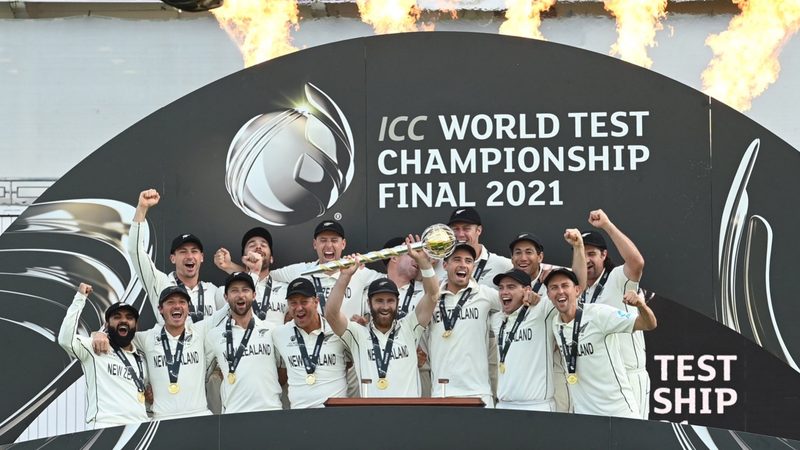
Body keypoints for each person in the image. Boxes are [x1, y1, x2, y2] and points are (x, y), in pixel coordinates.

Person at [326, 237, 439, 397]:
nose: (385, 307)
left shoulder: (409, 327)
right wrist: (344, 277)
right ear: (369, 303)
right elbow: (331, 315)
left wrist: (424, 262)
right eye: (379, 301)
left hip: (408, 411)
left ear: (398, 303)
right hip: (373, 412)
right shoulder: (358, 334)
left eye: (390, 301)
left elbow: (433, 296)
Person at [92, 285, 225, 420]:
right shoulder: (147, 338)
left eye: (182, 302)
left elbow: (228, 309)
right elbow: (119, 333)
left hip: (199, 416)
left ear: (188, 308)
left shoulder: (200, 331)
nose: (177, 306)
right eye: (170, 302)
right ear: (160, 309)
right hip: (162, 420)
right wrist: (100, 333)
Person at [546, 268, 657, 419]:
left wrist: (641, 306)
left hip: (619, 412)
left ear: (577, 290)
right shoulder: (555, 324)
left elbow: (648, 324)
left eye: (565, 285)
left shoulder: (598, 314)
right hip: (585, 416)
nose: (560, 291)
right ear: (548, 295)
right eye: (554, 287)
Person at [508, 228, 587, 413]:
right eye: (518, 252)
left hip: (554, 365)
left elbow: (579, 285)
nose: (523, 258)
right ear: (511, 258)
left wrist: (578, 247)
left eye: (529, 252)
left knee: (558, 422)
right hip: (520, 371)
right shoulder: (507, 286)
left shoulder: (554, 279)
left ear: (540, 257)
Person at [581, 209, 649, 419]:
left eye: (591, 253)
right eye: (581, 253)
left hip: (628, 375)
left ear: (604, 255)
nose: (586, 259)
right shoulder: (577, 291)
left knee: (633, 435)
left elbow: (637, 263)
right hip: (596, 381)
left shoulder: (618, 278)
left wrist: (607, 225)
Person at [58, 283, 148, 428]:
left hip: (138, 428)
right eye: (117, 317)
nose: (123, 320)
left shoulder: (141, 360)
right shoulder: (94, 347)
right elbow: (65, 340)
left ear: (136, 325)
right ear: (107, 325)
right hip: (105, 427)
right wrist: (80, 298)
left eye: (129, 317)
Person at [128, 188, 224, 323]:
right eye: (183, 251)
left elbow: (245, 299)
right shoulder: (159, 283)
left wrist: (230, 267)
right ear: (173, 258)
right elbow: (135, 251)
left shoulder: (213, 291)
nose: (189, 256)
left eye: (194, 251)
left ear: (201, 257)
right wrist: (142, 208)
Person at [427, 244, 502, 407]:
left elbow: (516, 303)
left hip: (479, 392)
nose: (463, 265)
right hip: (442, 392)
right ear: (445, 265)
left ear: (473, 267)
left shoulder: (485, 293)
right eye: (457, 260)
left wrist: (531, 297)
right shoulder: (432, 298)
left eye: (468, 261)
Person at [205, 272, 282, 413]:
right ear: (226, 297)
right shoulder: (214, 335)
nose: (240, 295)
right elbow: (201, 376)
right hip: (234, 414)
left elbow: (283, 370)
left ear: (254, 295)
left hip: (271, 411)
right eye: (234, 290)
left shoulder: (272, 330)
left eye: (245, 290)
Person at [272, 277, 349, 408]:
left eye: (304, 302)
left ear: (316, 302)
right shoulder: (279, 334)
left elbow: (350, 362)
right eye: (293, 303)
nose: (299, 308)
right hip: (300, 414)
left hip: (335, 413)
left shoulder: (337, 330)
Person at [492, 269, 560, 411]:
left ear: (527, 290)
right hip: (503, 405)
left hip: (538, 406)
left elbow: (575, 289)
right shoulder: (496, 319)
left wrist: (538, 297)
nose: (504, 292)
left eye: (511, 287)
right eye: (501, 288)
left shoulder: (542, 309)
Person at [214, 227, 289, 330]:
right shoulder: (224, 291)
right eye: (252, 245)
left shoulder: (286, 290)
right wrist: (230, 266)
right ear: (243, 258)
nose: (258, 247)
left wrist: (230, 266)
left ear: (271, 258)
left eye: (263, 245)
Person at [435, 207, 512, 287]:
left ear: (478, 230)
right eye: (455, 229)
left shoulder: (504, 265)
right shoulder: (438, 263)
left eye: (466, 229)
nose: (460, 234)